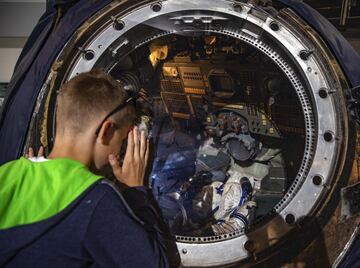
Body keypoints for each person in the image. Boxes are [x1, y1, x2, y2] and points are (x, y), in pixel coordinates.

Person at [0, 70, 169, 267]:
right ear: (106, 131)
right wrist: (136, 191)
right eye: (122, 140)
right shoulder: (97, 199)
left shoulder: (6, 174)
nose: (120, 151)